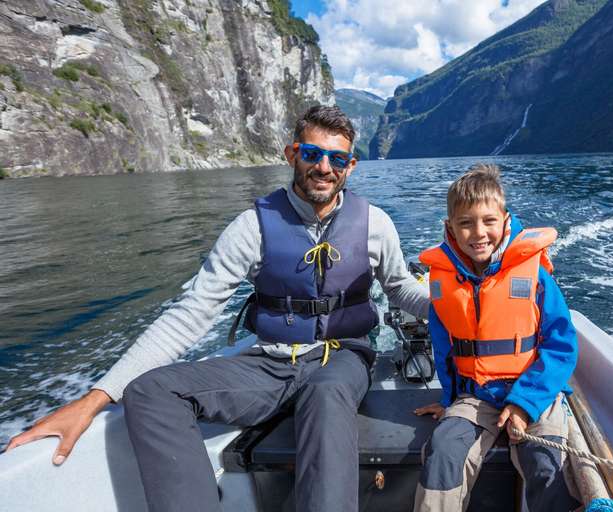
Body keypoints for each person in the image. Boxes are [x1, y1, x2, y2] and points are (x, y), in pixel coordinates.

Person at [7, 105, 430, 512]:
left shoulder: (375, 223)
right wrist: (95, 399)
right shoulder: (253, 226)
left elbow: (400, 289)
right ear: (291, 155)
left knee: (324, 394)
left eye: (337, 158)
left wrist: (455, 307)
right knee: (150, 391)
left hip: (342, 356)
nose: (324, 167)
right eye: (312, 154)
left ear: (351, 166)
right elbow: (193, 312)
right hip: (270, 364)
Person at [413, 164, 579, 511]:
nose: (479, 233)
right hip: (476, 397)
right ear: (450, 229)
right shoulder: (443, 287)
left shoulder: (535, 278)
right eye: (466, 223)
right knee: (443, 453)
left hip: (537, 393)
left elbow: (561, 345)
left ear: (505, 222)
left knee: (546, 463)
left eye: (488, 221)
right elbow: (445, 352)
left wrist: (524, 402)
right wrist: (448, 402)